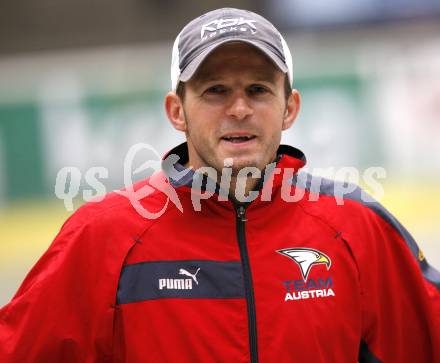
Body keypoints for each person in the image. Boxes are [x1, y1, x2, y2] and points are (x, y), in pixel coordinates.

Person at [1, 7, 439, 363]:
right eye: (214, 91)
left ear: (290, 107)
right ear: (177, 111)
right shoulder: (102, 237)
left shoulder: (355, 225)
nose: (239, 108)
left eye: (258, 89)